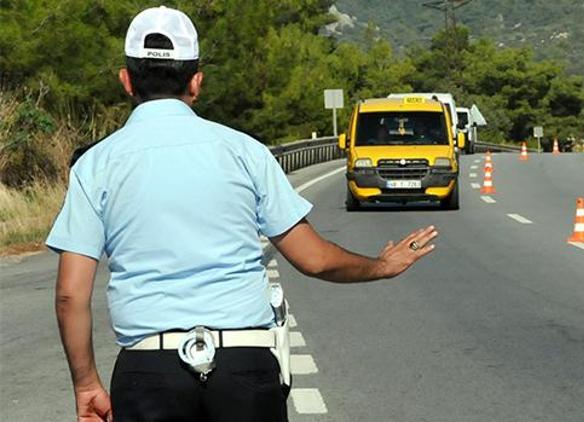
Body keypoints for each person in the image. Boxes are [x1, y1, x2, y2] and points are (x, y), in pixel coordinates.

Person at [47, 6, 438, 422]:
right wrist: (381, 265)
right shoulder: (244, 151)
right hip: (244, 366)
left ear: (126, 81)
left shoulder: (96, 165)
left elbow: (71, 294)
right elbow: (314, 258)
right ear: (196, 82)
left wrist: (87, 384)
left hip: (148, 371)